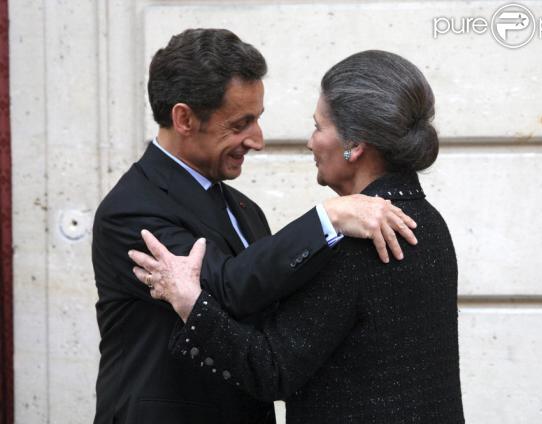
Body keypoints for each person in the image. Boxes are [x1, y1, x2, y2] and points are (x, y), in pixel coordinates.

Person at [92, 30, 418, 424]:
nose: (258, 140)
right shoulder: (131, 210)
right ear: (184, 118)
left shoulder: (244, 209)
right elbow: (223, 291)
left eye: (257, 120)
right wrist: (327, 218)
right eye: (241, 123)